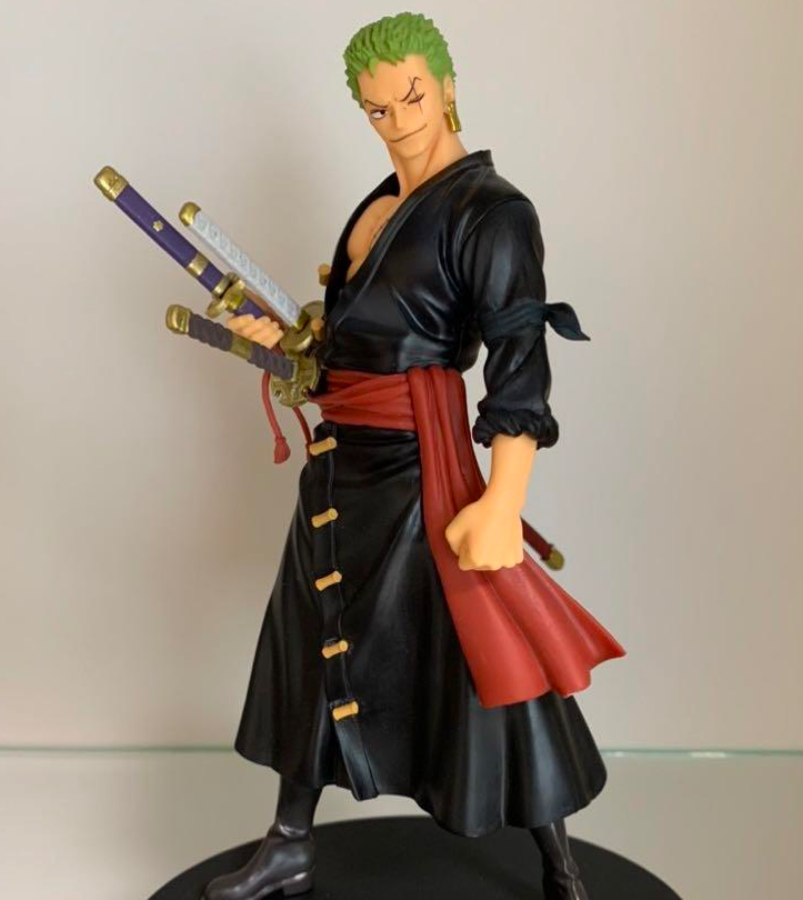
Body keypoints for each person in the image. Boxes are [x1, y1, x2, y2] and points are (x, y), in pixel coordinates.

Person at [204, 13, 624, 900]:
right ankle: (290, 841)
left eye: (412, 97)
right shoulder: (377, 208)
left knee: (486, 651)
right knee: (313, 642)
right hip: (338, 470)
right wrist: (286, 343)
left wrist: (503, 502)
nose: (397, 121)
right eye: (376, 109)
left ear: (447, 85)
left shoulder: (493, 213)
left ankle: (560, 864)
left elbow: (518, 363)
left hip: (421, 472)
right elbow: (353, 346)